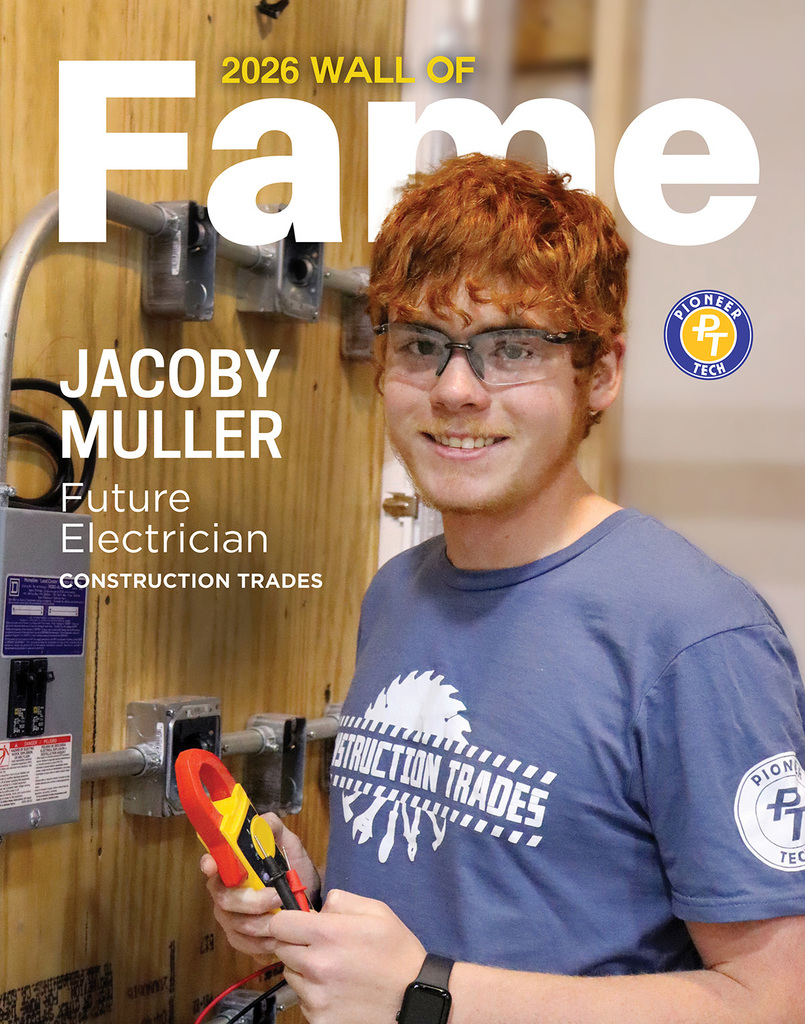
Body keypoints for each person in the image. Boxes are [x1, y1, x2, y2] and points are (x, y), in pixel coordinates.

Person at [203, 154, 805, 1024]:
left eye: (511, 348)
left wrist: (423, 992)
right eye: (421, 345)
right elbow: (473, 914)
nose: (455, 389)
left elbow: (773, 999)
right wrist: (312, 911)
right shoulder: (398, 593)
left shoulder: (693, 637)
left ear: (600, 373)